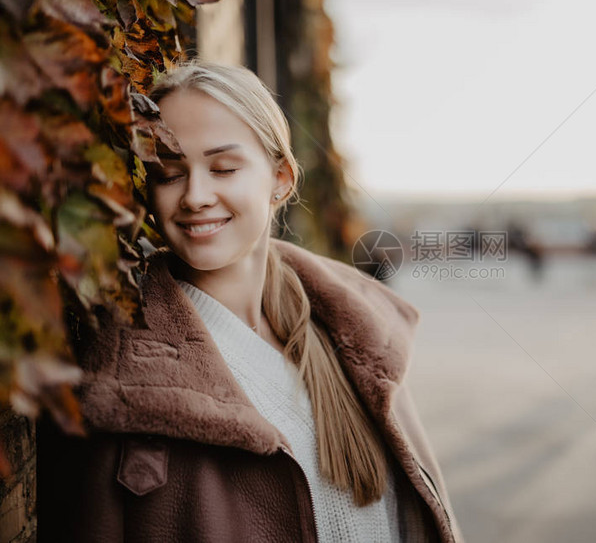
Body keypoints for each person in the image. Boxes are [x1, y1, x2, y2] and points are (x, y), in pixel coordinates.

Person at [37, 62, 461, 542]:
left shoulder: (360, 340)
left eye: (223, 168)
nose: (196, 196)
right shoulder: (121, 391)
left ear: (279, 178)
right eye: (169, 174)